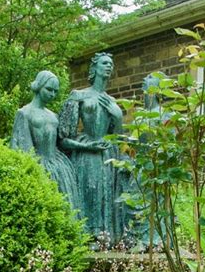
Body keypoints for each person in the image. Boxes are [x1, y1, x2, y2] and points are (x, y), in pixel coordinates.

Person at [58, 52, 128, 244]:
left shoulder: (112, 102)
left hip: (107, 155)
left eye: (111, 64)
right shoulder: (78, 96)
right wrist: (87, 147)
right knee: (89, 191)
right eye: (105, 63)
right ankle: (88, 238)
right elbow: (63, 139)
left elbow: (119, 138)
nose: (109, 66)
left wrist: (119, 117)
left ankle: (107, 238)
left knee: (107, 196)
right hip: (86, 155)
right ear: (94, 68)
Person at [10, 70, 80, 212]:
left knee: (65, 207)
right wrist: (33, 168)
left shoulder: (54, 116)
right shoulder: (24, 113)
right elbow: (20, 147)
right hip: (38, 165)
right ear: (38, 86)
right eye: (49, 89)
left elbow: (61, 142)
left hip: (59, 166)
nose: (52, 94)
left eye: (55, 91)